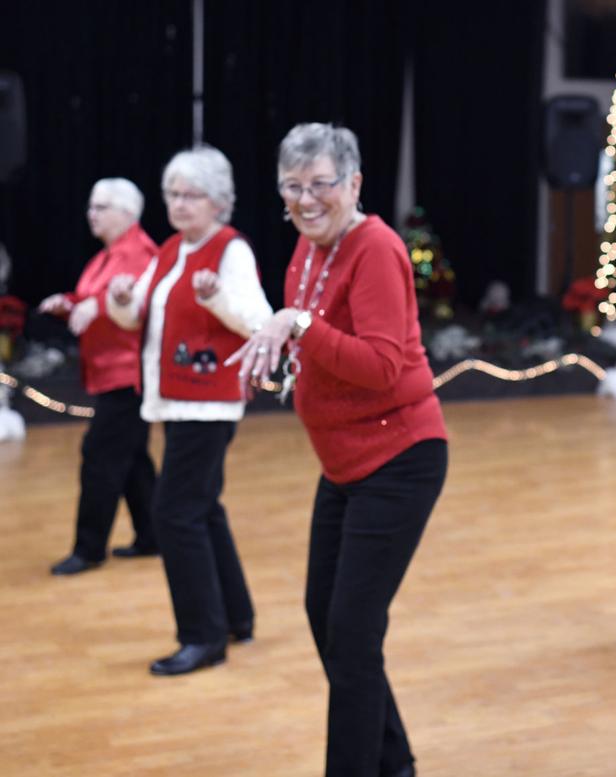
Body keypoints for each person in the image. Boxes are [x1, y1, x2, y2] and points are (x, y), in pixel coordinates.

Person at [229, 123, 447, 777]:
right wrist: (281, 351)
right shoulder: (307, 248)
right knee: (326, 615)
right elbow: (318, 340)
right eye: (292, 187)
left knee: (351, 632)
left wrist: (297, 325)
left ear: (352, 184)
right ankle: (394, 759)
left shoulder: (375, 247)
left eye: (319, 184)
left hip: (399, 458)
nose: (305, 199)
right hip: (346, 462)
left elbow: (382, 366)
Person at [107, 145, 271, 676]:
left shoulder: (231, 250)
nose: (178, 204)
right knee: (201, 507)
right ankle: (236, 618)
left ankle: (203, 636)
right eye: (172, 194)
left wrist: (217, 296)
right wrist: (124, 300)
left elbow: (256, 321)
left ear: (218, 202)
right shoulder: (171, 249)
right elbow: (141, 324)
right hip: (176, 400)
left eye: (191, 194)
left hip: (207, 404)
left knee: (174, 514)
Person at [41, 178, 159, 575]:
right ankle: (152, 535)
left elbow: (137, 303)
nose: (92, 214)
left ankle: (89, 549)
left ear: (128, 213)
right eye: (91, 206)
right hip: (109, 371)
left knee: (100, 456)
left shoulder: (140, 252)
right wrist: (69, 303)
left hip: (129, 374)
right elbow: (94, 296)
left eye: (101, 207)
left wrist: (96, 305)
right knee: (132, 457)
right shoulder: (108, 255)